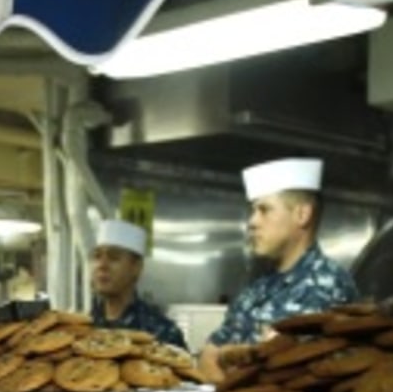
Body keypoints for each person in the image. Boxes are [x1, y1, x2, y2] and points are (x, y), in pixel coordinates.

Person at [197, 157, 359, 379]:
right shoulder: (257, 288)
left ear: (302, 214)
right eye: (253, 211)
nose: (252, 221)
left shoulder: (328, 284)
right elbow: (208, 358)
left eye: (264, 210)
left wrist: (234, 369)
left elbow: (292, 375)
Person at [87, 218, 186, 348]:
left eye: (114, 257)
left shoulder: (161, 332)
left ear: (136, 267)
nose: (102, 265)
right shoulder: (82, 327)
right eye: (97, 256)